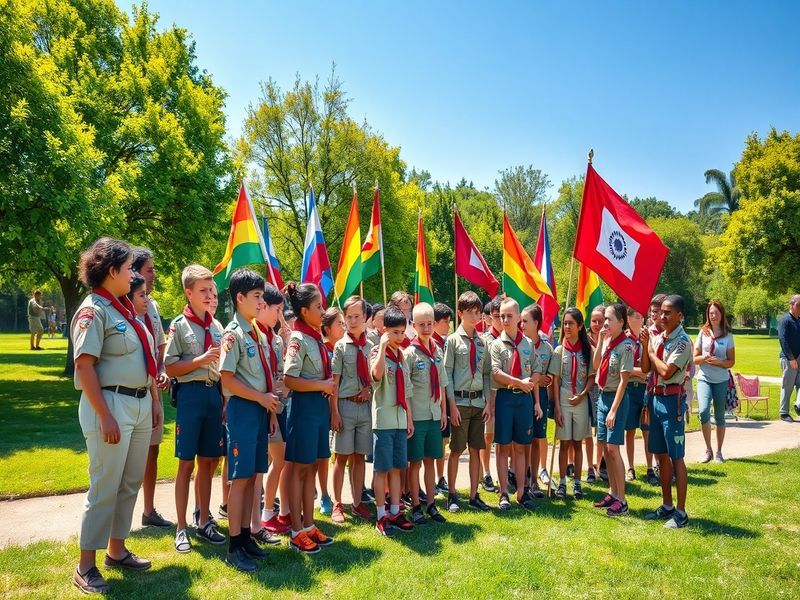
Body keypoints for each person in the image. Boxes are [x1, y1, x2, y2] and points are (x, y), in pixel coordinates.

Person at [71, 238, 158, 595]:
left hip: (135, 404)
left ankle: (117, 550)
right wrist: (104, 415)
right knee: (104, 486)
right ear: (111, 272)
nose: (133, 274)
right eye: (128, 269)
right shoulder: (94, 310)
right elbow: (84, 365)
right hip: (110, 406)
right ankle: (85, 566)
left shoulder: (123, 309)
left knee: (129, 481)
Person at [218, 269, 278, 571]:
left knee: (253, 476)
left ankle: (245, 538)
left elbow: (262, 375)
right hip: (243, 411)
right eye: (256, 296)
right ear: (239, 298)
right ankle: (234, 545)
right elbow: (227, 381)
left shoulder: (256, 332)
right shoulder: (234, 334)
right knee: (240, 480)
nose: (260, 301)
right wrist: (261, 399)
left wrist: (267, 409)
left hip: (258, 411)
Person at [163, 265, 226, 553]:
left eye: (211, 290)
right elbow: (170, 366)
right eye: (203, 290)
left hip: (214, 395)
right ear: (189, 293)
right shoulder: (180, 325)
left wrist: (224, 399)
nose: (209, 295)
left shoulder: (217, 326)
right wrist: (200, 360)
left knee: (209, 462)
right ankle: (180, 527)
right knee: (186, 463)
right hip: (190, 396)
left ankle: (203, 520)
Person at [282, 283, 336, 554]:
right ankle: (295, 531)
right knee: (299, 469)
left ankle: (309, 525)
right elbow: (290, 379)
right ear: (304, 311)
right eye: (318, 307)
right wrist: (322, 386)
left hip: (317, 410)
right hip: (303, 409)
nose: (323, 310)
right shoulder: (298, 339)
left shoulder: (314, 337)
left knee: (313, 467)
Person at [131, 248, 173, 530]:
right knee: (128, 458)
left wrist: (161, 371)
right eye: (150, 270)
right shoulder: (125, 308)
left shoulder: (153, 306)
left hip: (152, 389)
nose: (154, 275)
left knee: (152, 450)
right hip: (131, 390)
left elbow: (159, 344)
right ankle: (121, 518)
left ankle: (149, 510)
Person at [645, 295, 692, 529]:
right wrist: (647, 347)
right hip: (655, 398)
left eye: (668, 313)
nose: (662, 316)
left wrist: (651, 352)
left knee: (676, 457)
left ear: (679, 316)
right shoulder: (659, 338)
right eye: (660, 312)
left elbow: (665, 371)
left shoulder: (683, 342)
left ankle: (681, 513)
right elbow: (646, 368)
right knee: (660, 455)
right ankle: (667, 505)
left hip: (672, 401)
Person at [490, 297, 540, 511]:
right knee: (503, 447)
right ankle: (503, 493)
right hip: (505, 398)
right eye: (502, 316)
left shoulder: (528, 344)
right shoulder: (495, 345)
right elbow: (495, 372)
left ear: (519, 318)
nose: (505, 320)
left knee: (521, 447)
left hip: (524, 400)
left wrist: (531, 382)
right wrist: (518, 381)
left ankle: (522, 491)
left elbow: (537, 368)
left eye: (509, 316)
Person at [370, 306, 416, 536]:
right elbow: (376, 375)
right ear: (385, 331)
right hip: (384, 421)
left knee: (398, 467)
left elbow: (406, 389)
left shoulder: (402, 356)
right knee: (382, 469)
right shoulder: (377, 353)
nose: (400, 337)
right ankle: (381, 515)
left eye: (402, 332)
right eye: (395, 333)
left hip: (399, 420)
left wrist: (409, 418)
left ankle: (396, 511)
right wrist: (381, 347)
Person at [444, 291, 492, 513]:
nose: (475, 317)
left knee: (476, 449)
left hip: (478, 403)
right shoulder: (453, 341)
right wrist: (451, 406)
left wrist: (488, 403)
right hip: (460, 403)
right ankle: (452, 494)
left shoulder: (483, 342)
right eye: (470, 313)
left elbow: (486, 374)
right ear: (460, 313)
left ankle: (474, 495)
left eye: (478, 313)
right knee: (456, 449)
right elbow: (448, 374)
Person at [247, 285, 286, 547]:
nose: (279, 315)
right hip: (254, 406)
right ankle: (262, 516)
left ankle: (266, 514)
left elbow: (279, 372)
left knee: (275, 459)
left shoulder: (277, 338)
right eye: (277, 309)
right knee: (259, 465)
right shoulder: (251, 335)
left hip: (275, 406)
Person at [330, 296, 374, 524]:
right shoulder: (340, 346)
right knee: (341, 457)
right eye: (349, 317)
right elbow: (334, 382)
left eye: (357, 316)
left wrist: (369, 388)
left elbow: (376, 378)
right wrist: (335, 412)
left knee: (359, 457)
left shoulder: (370, 347)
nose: (353, 321)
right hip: (345, 405)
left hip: (365, 408)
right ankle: (337, 502)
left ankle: (357, 502)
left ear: (366, 317)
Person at [404, 302, 448, 524]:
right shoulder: (409, 353)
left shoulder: (437, 350)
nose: (427, 328)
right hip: (417, 417)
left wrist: (443, 411)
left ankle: (431, 504)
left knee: (431, 460)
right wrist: (409, 418)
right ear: (413, 325)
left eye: (430, 323)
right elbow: (407, 390)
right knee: (415, 462)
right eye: (421, 324)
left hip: (433, 415)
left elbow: (441, 383)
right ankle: (416, 506)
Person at [592, 304, 635, 516]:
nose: (605, 323)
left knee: (613, 448)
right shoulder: (607, 341)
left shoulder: (626, 346)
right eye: (604, 319)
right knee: (605, 448)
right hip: (602, 397)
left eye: (609, 319)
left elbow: (623, 381)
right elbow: (595, 364)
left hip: (615, 400)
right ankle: (612, 491)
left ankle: (622, 499)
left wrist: (613, 410)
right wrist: (600, 340)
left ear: (621, 322)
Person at [549, 307, 594, 500]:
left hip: (581, 400)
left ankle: (577, 482)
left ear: (580, 326)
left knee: (578, 443)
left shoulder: (587, 350)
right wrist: (557, 407)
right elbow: (556, 380)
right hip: (564, 400)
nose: (567, 327)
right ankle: (561, 482)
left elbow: (591, 377)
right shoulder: (560, 350)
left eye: (571, 323)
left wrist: (583, 394)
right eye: (565, 323)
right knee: (564, 443)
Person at [694, 300, 736, 463]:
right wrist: (703, 358)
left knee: (719, 416)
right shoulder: (703, 333)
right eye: (711, 313)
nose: (713, 315)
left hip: (721, 380)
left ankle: (719, 451)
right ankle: (708, 450)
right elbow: (694, 358)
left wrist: (719, 362)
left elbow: (731, 361)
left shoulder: (728, 335)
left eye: (716, 313)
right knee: (703, 411)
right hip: (704, 378)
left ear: (721, 314)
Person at [520, 303, 552, 499]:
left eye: (525, 321)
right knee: (523, 440)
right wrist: (538, 378)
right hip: (523, 395)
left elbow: (549, 377)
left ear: (536, 323)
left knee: (537, 438)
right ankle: (522, 479)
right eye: (520, 320)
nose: (521, 324)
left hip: (541, 397)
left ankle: (534, 481)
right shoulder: (519, 344)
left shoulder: (547, 348)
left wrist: (540, 379)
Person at [317, 307, 344, 517]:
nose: (343, 327)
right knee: (322, 455)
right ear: (327, 328)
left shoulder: (343, 348)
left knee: (337, 454)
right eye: (339, 324)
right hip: (323, 408)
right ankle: (324, 494)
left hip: (343, 407)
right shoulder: (323, 349)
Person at [624, 307, 655, 483]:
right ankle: (631, 467)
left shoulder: (648, 339)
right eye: (636, 316)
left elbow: (651, 363)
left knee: (646, 429)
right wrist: (639, 372)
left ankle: (650, 467)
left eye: (642, 315)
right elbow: (623, 368)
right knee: (629, 430)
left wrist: (643, 372)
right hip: (629, 389)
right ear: (628, 319)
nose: (640, 319)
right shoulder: (625, 341)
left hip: (645, 389)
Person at [480, 296, 503, 493]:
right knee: (488, 436)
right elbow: (484, 372)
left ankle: (507, 473)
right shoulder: (485, 340)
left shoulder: (511, 339)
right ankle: (485, 473)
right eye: (497, 316)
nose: (501, 320)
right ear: (489, 318)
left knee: (505, 437)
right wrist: (489, 399)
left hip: (507, 394)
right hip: (489, 394)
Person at [432, 302, 452, 496]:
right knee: (436, 442)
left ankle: (440, 477)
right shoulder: (433, 344)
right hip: (432, 399)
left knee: (443, 440)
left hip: (444, 397)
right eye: (445, 322)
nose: (448, 325)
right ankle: (435, 478)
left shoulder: (446, 342)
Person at [778, 294, 800, 422]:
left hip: (799, 357)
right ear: (791, 305)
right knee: (788, 385)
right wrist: (791, 358)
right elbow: (783, 339)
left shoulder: (799, 320)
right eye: (798, 305)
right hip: (788, 359)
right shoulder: (785, 320)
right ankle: (783, 412)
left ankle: (798, 406)